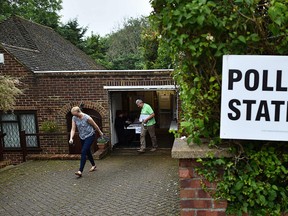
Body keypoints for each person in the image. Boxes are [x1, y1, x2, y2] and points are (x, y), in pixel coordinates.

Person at [69, 106, 103, 177]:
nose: (75, 116)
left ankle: (80, 171)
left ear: (78, 112)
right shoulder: (74, 118)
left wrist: (100, 133)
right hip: (82, 137)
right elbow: (73, 129)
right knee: (87, 151)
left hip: (90, 135)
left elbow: (95, 126)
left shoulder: (87, 118)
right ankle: (93, 165)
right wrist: (71, 138)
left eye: (75, 115)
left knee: (83, 151)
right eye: (74, 115)